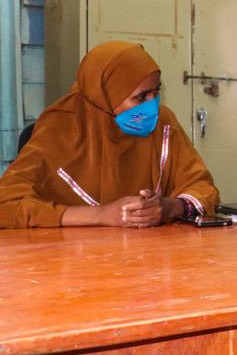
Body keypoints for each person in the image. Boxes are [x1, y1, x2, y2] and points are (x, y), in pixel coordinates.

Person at [0, 41, 219, 228]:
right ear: (103, 97)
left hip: (150, 260)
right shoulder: (60, 129)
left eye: (156, 92)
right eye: (141, 97)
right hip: (70, 262)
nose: (152, 105)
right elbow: (5, 205)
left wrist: (169, 208)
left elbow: (203, 188)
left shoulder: (163, 123)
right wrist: (101, 215)